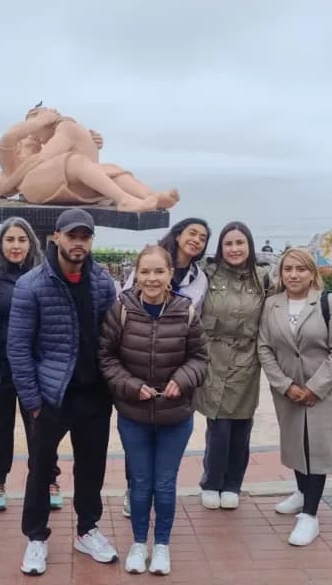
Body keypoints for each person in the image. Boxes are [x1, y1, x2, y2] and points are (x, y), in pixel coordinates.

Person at [8, 208, 118, 576]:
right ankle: (36, 537)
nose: (78, 243)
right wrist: (34, 402)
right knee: (40, 470)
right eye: (72, 236)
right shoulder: (33, 284)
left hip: (94, 396)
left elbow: (111, 339)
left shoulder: (102, 283)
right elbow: (18, 349)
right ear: (56, 237)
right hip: (51, 397)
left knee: (92, 469)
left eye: (85, 237)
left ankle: (87, 530)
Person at [99, 245, 208, 576]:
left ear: (170, 274)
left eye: (159, 271)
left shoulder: (186, 311)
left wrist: (182, 379)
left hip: (176, 415)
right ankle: (137, 544)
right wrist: (132, 386)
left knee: (164, 482)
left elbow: (200, 358)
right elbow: (106, 357)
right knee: (141, 482)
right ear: (136, 274)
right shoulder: (122, 310)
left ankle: (161, 545)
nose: (152, 278)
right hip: (134, 415)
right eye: (145, 271)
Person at [0, 217, 63, 512]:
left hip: (36, 370)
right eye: (10, 239)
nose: (16, 245)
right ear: (0, 243)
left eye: (22, 239)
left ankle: (48, 479)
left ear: (31, 243)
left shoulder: (44, 274)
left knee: (42, 430)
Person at [257, 247, 332, 546]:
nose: (294, 275)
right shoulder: (272, 304)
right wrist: (285, 385)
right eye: (288, 269)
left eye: (300, 269)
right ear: (280, 273)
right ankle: (301, 493)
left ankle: (310, 515)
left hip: (322, 391)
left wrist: (314, 388)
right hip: (288, 391)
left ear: (312, 273)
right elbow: (264, 348)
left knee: (317, 448)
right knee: (297, 442)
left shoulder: (328, 302)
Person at [119, 217, 211, 516]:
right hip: (139, 367)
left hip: (175, 372)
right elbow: (128, 304)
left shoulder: (199, 279)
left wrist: (185, 375)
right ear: (179, 233)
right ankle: (133, 491)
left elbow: (197, 331)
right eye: (192, 233)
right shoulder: (151, 260)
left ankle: (160, 511)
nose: (196, 240)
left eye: (203, 237)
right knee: (137, 445)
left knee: (165, 461)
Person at [0, 106, 179, 212]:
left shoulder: (40, 159)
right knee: (75, 161)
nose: (36, 138)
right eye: (30, 135)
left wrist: (86, 141)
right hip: (32, 187)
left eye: (37, 136)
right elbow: (8, 137)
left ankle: (150, 197)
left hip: (47, 183)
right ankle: (124, 200)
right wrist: (38, 122)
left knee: (107, 169)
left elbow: (52, 156)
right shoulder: (10, 157)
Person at [194, 222, 269, 510]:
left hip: (247, 359)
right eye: (228, 243)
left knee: (241, 425)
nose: (234, 249)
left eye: (240, 243)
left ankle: (233, 483)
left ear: (249, 246)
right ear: (220, 247)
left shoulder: (262, 278)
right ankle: (212, 481)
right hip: (214, 357)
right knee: (218, 424)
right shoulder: (207, 274)